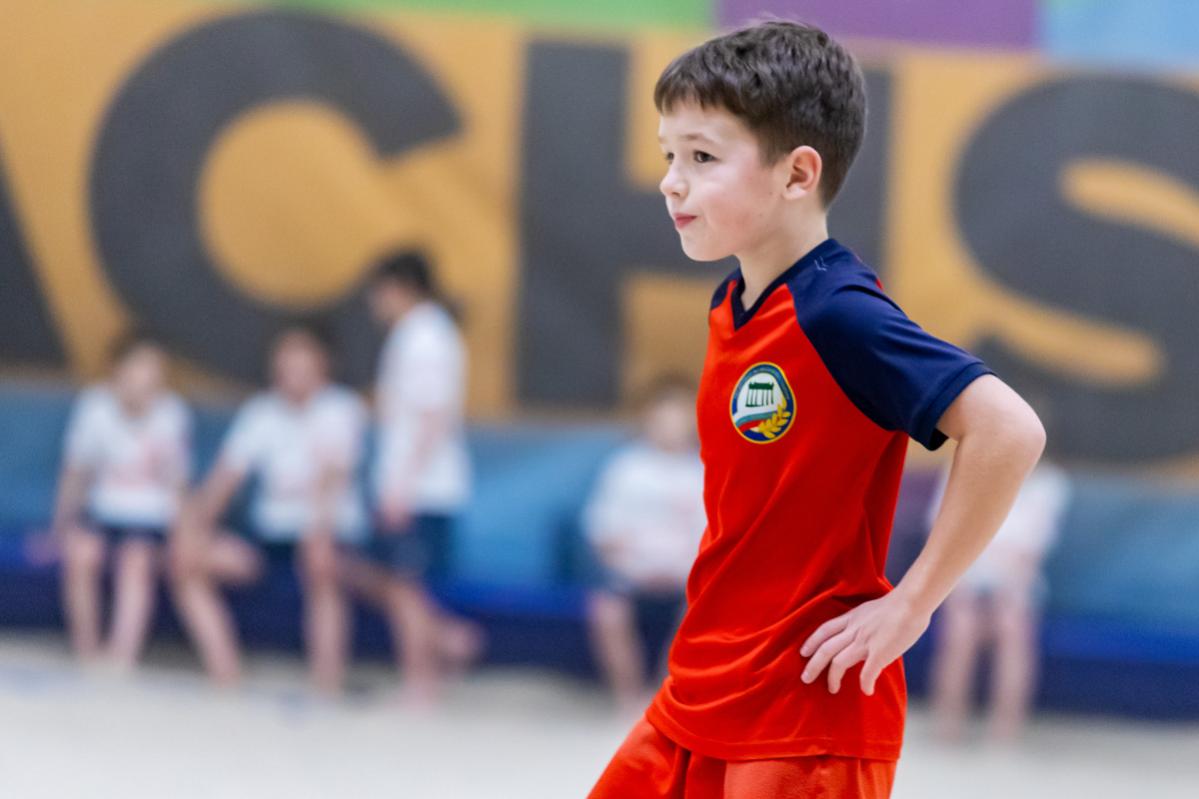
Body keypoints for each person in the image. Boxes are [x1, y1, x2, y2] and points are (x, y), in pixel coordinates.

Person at [589, 20, 1046, 799]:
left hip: (806, 710)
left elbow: (1008, 430)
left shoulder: (838, 313)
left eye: (701, 157)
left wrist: (912, 604)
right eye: (668, 155)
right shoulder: (731, 302)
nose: (670, 181)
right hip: (701, 685)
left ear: (797, 173)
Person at [169, 326, 367, 695]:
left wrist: (319, 532)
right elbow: (223, 481)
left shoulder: (341, 409)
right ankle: (225, 674)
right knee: (187, 561)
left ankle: (327, 683)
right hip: (270, 539)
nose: (292, 370)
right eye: (286, 361)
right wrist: (192, 532)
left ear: (322, 364)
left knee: (321, 564)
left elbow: (333, 480)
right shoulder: (261, 412)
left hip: (329, 534)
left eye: (301, 361)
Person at [363, 252, 482, 703]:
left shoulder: (425, 336)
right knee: (388, 579)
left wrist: (403, 487)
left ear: (398, 288)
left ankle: (421, 681)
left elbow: (433, 417)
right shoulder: (417, 333)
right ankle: (449, 640)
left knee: (403, 586)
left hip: (422, 488)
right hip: (412, 483)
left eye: (378, 292)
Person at [53, 332, 190, 671]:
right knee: (81, 553)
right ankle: (86, 651)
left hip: (150, 519)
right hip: (103, 513)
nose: (148, 376)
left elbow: (178, 484)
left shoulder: (172, 413)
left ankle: (121, 655)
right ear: (118, 369)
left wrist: (183, 536)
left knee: (136, 561)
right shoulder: (94, 406)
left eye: (155, 368)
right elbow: (76, 473)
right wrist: (59, 527)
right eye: (140, 366)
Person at [583, 375, 705, 714]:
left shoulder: (704, 471)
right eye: (663, 420)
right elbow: (602, 532)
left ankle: (663, 695)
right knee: (607, 611)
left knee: (699, 614)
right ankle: (629, 695)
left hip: (684, 582)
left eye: (679, 420)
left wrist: (681, 570)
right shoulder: (625, 469)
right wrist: (630, 565)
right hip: (631, 578)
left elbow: (711, 539)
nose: (671, 428)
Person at [927, 458, 1071, 742]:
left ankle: (1004, 729)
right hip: (962, 572)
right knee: (960, 633)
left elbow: (1032, 549)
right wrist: (959, 585)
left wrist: (1008, 589)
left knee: (1012, 630)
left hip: (1015, 579)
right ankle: (947, 725)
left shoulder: (1048, 483)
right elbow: (941, 531)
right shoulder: (962, 468)